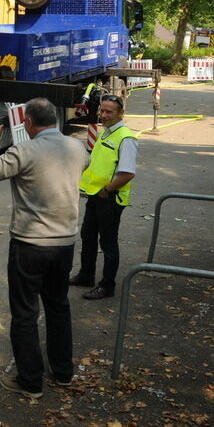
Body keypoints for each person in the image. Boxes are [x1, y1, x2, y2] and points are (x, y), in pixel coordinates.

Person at [0, 98, 90, 399]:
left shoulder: (24, 150)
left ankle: (30, 381)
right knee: (58, 306)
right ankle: (63, 372)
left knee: (25, 312)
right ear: (54, 119)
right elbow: (87, 163)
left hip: (30, 244)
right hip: (64, 243)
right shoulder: (77, 147)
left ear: (28, 123)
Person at [70, 94, 138, 300]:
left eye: (109, 112)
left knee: (108, 243)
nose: (104, 115)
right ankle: (86, 275)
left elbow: (127, 173)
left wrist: (107, 190)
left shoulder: (125, 138)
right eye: (102, 110)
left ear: (121, 114)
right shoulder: (107, 132)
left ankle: (107, 285)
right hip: (96, 195)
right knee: (88, 236)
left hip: (110, 197)